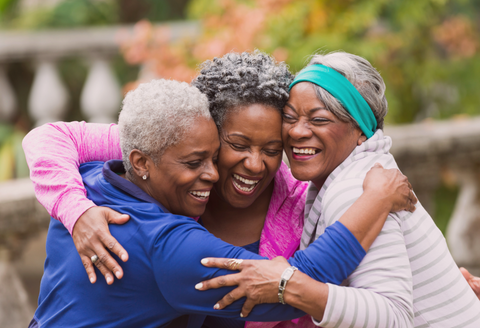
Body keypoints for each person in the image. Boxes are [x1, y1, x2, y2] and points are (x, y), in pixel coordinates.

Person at [23, 51, 415, 328]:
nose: (209, 173)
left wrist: (424, 270)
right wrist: (377, 199)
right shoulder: (167, 243)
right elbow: (301, 281)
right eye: (236, 145)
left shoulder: (96, 178)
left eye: (272, 149)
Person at [196, 52, 480, 327]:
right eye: (290, 117)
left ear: (360, 131)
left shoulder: (355, 190)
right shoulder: (362, 181)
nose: (296, 132)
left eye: (318, 119)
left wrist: (285, 283)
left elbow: (394, 316)